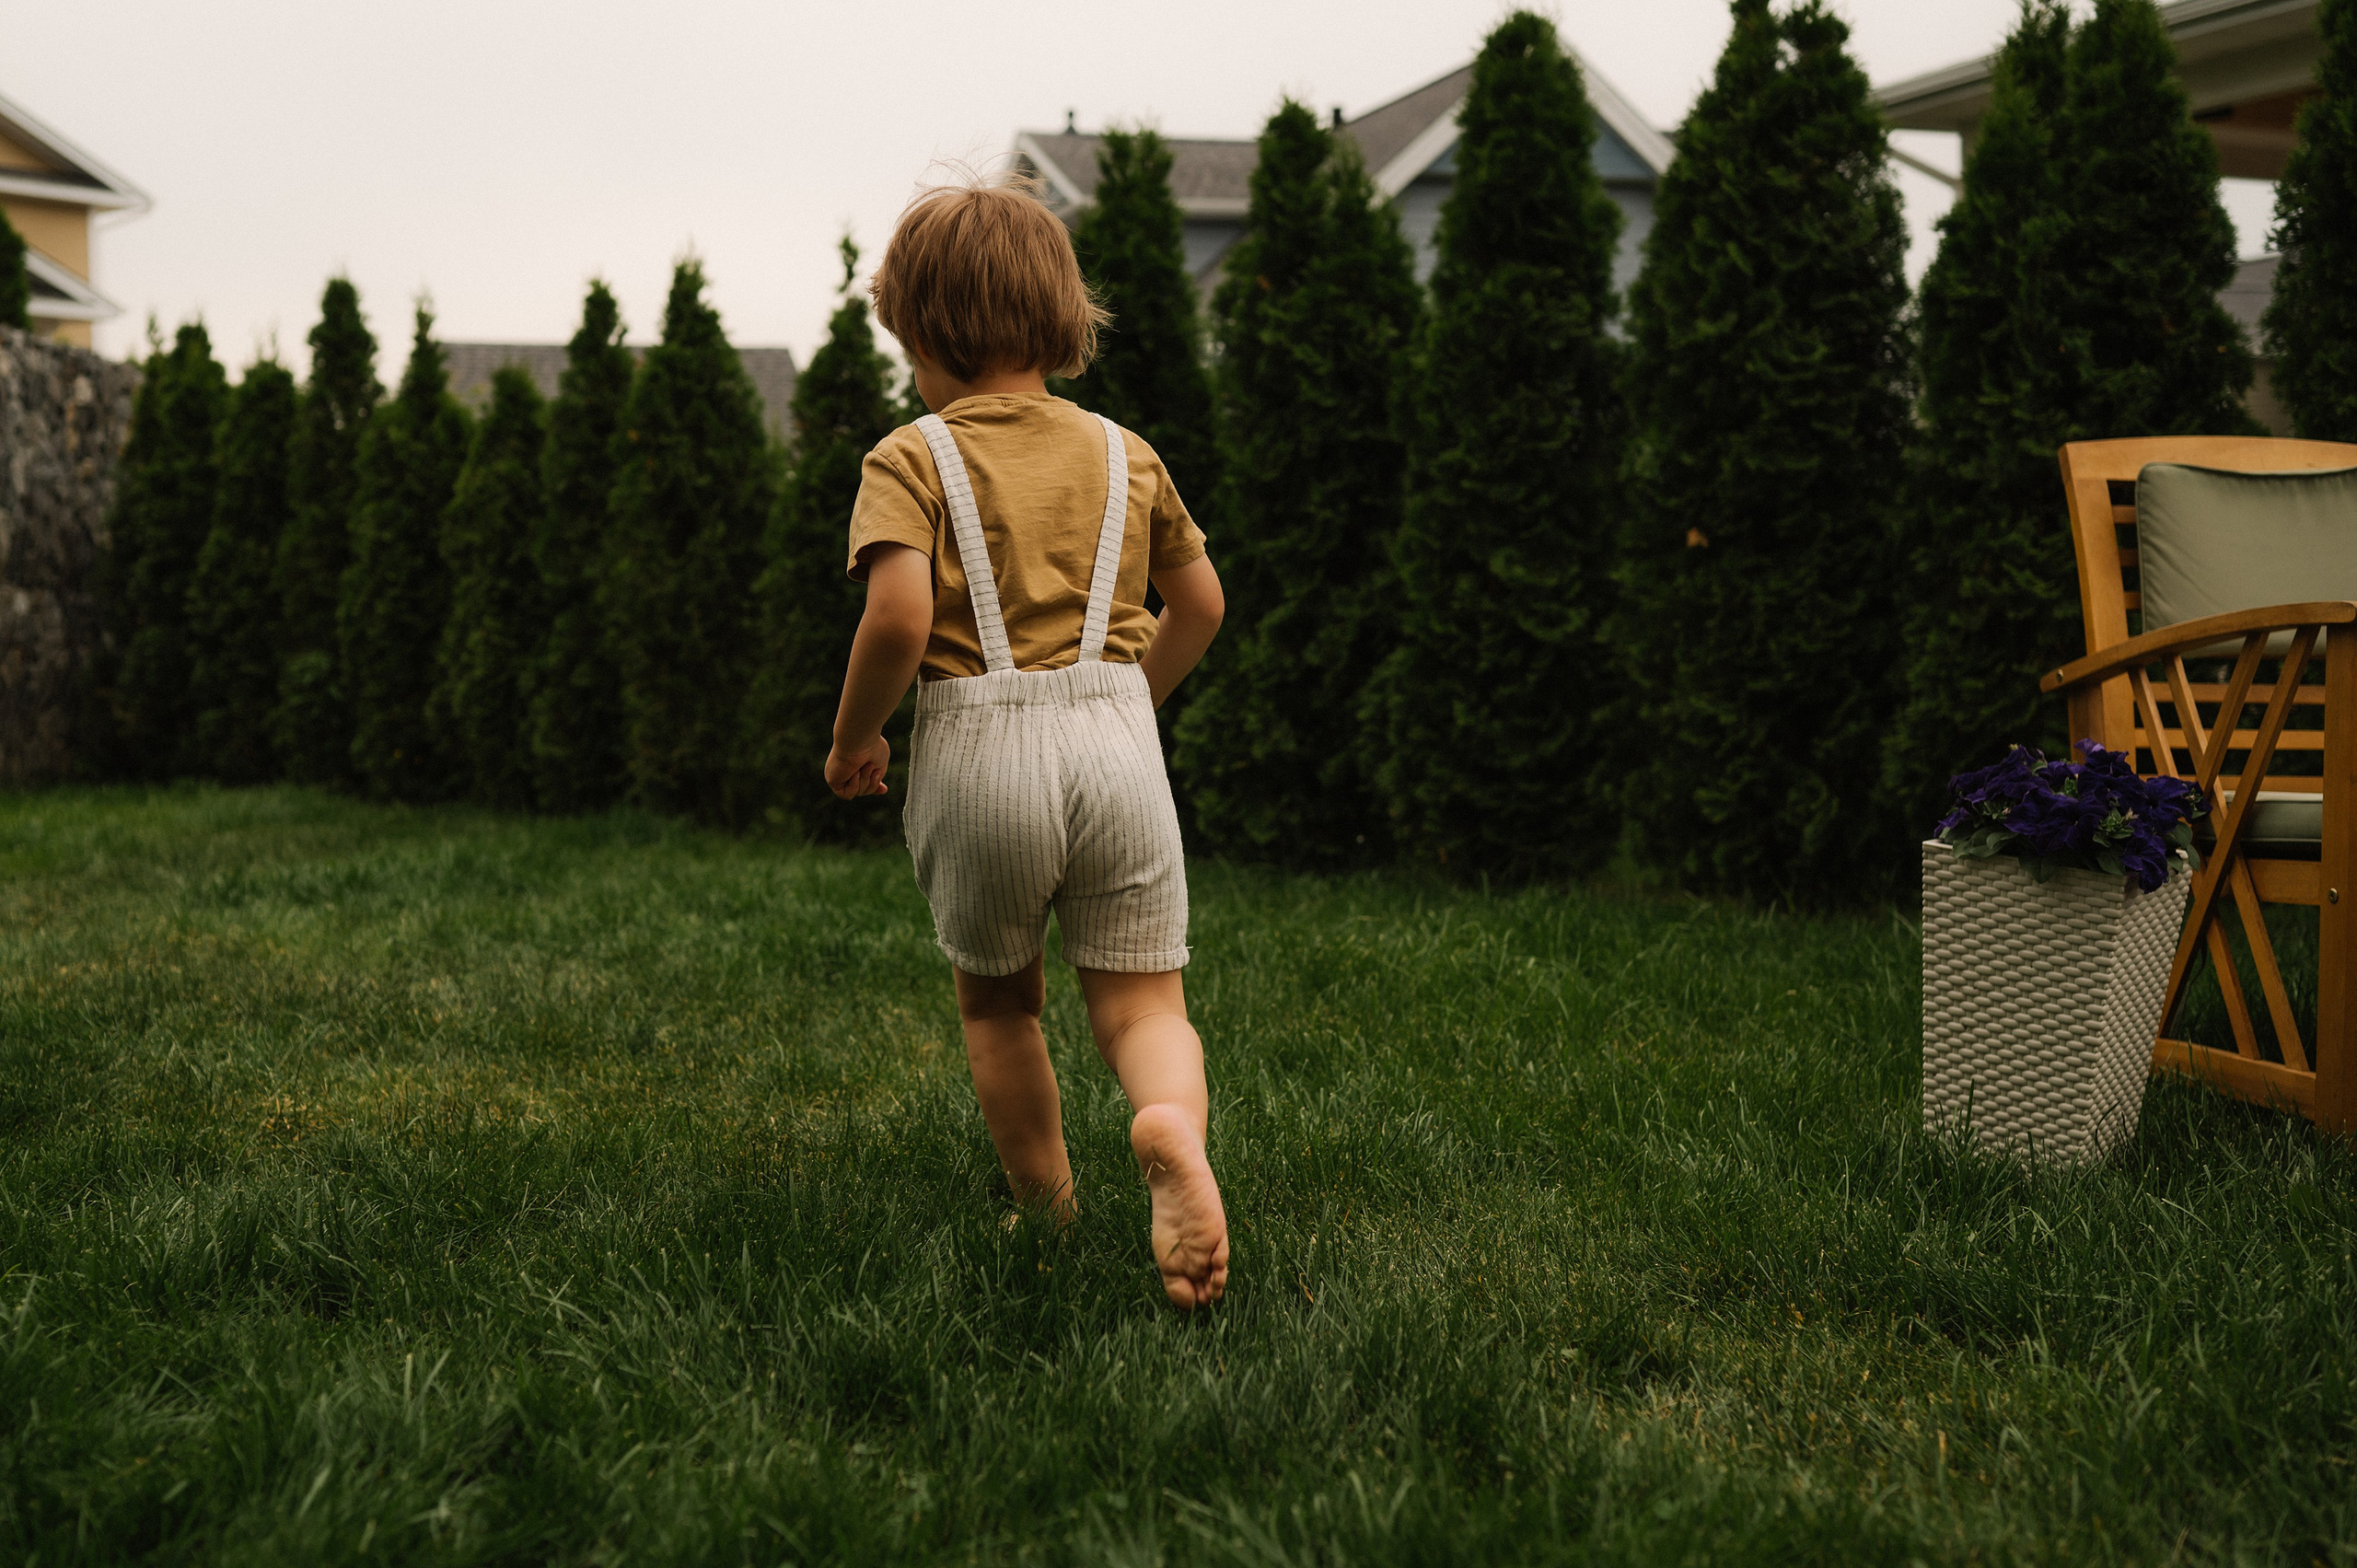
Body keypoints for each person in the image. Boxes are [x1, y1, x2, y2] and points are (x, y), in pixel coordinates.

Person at [821, 171, 1229, 1309]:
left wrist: (856, 737)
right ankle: (1167, 1124)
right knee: (1144, 1005)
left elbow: (896, 621)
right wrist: (1127, 703)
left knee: (1000, 1003)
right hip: (1117, 746)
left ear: (923, 334)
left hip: (980, 758)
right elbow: (1201, 605)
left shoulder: (910, 457)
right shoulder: (1126, 453)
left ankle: (1046, 1207)